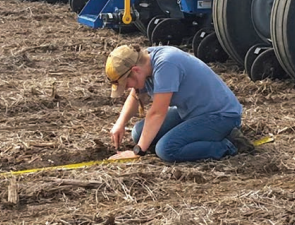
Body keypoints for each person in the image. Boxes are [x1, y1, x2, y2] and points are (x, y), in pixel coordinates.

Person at [105, 44, 255, 162]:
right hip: (192, 112)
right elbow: (135, 97)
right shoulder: (145, 61)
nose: (127, 87)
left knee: (166, 150)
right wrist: (120, 123)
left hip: (220, 116)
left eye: (126, 83)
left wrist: (138, 152)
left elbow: (157, 113)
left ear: (135, 70)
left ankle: (228, 145)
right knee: (138, 133)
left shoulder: (166, 64)